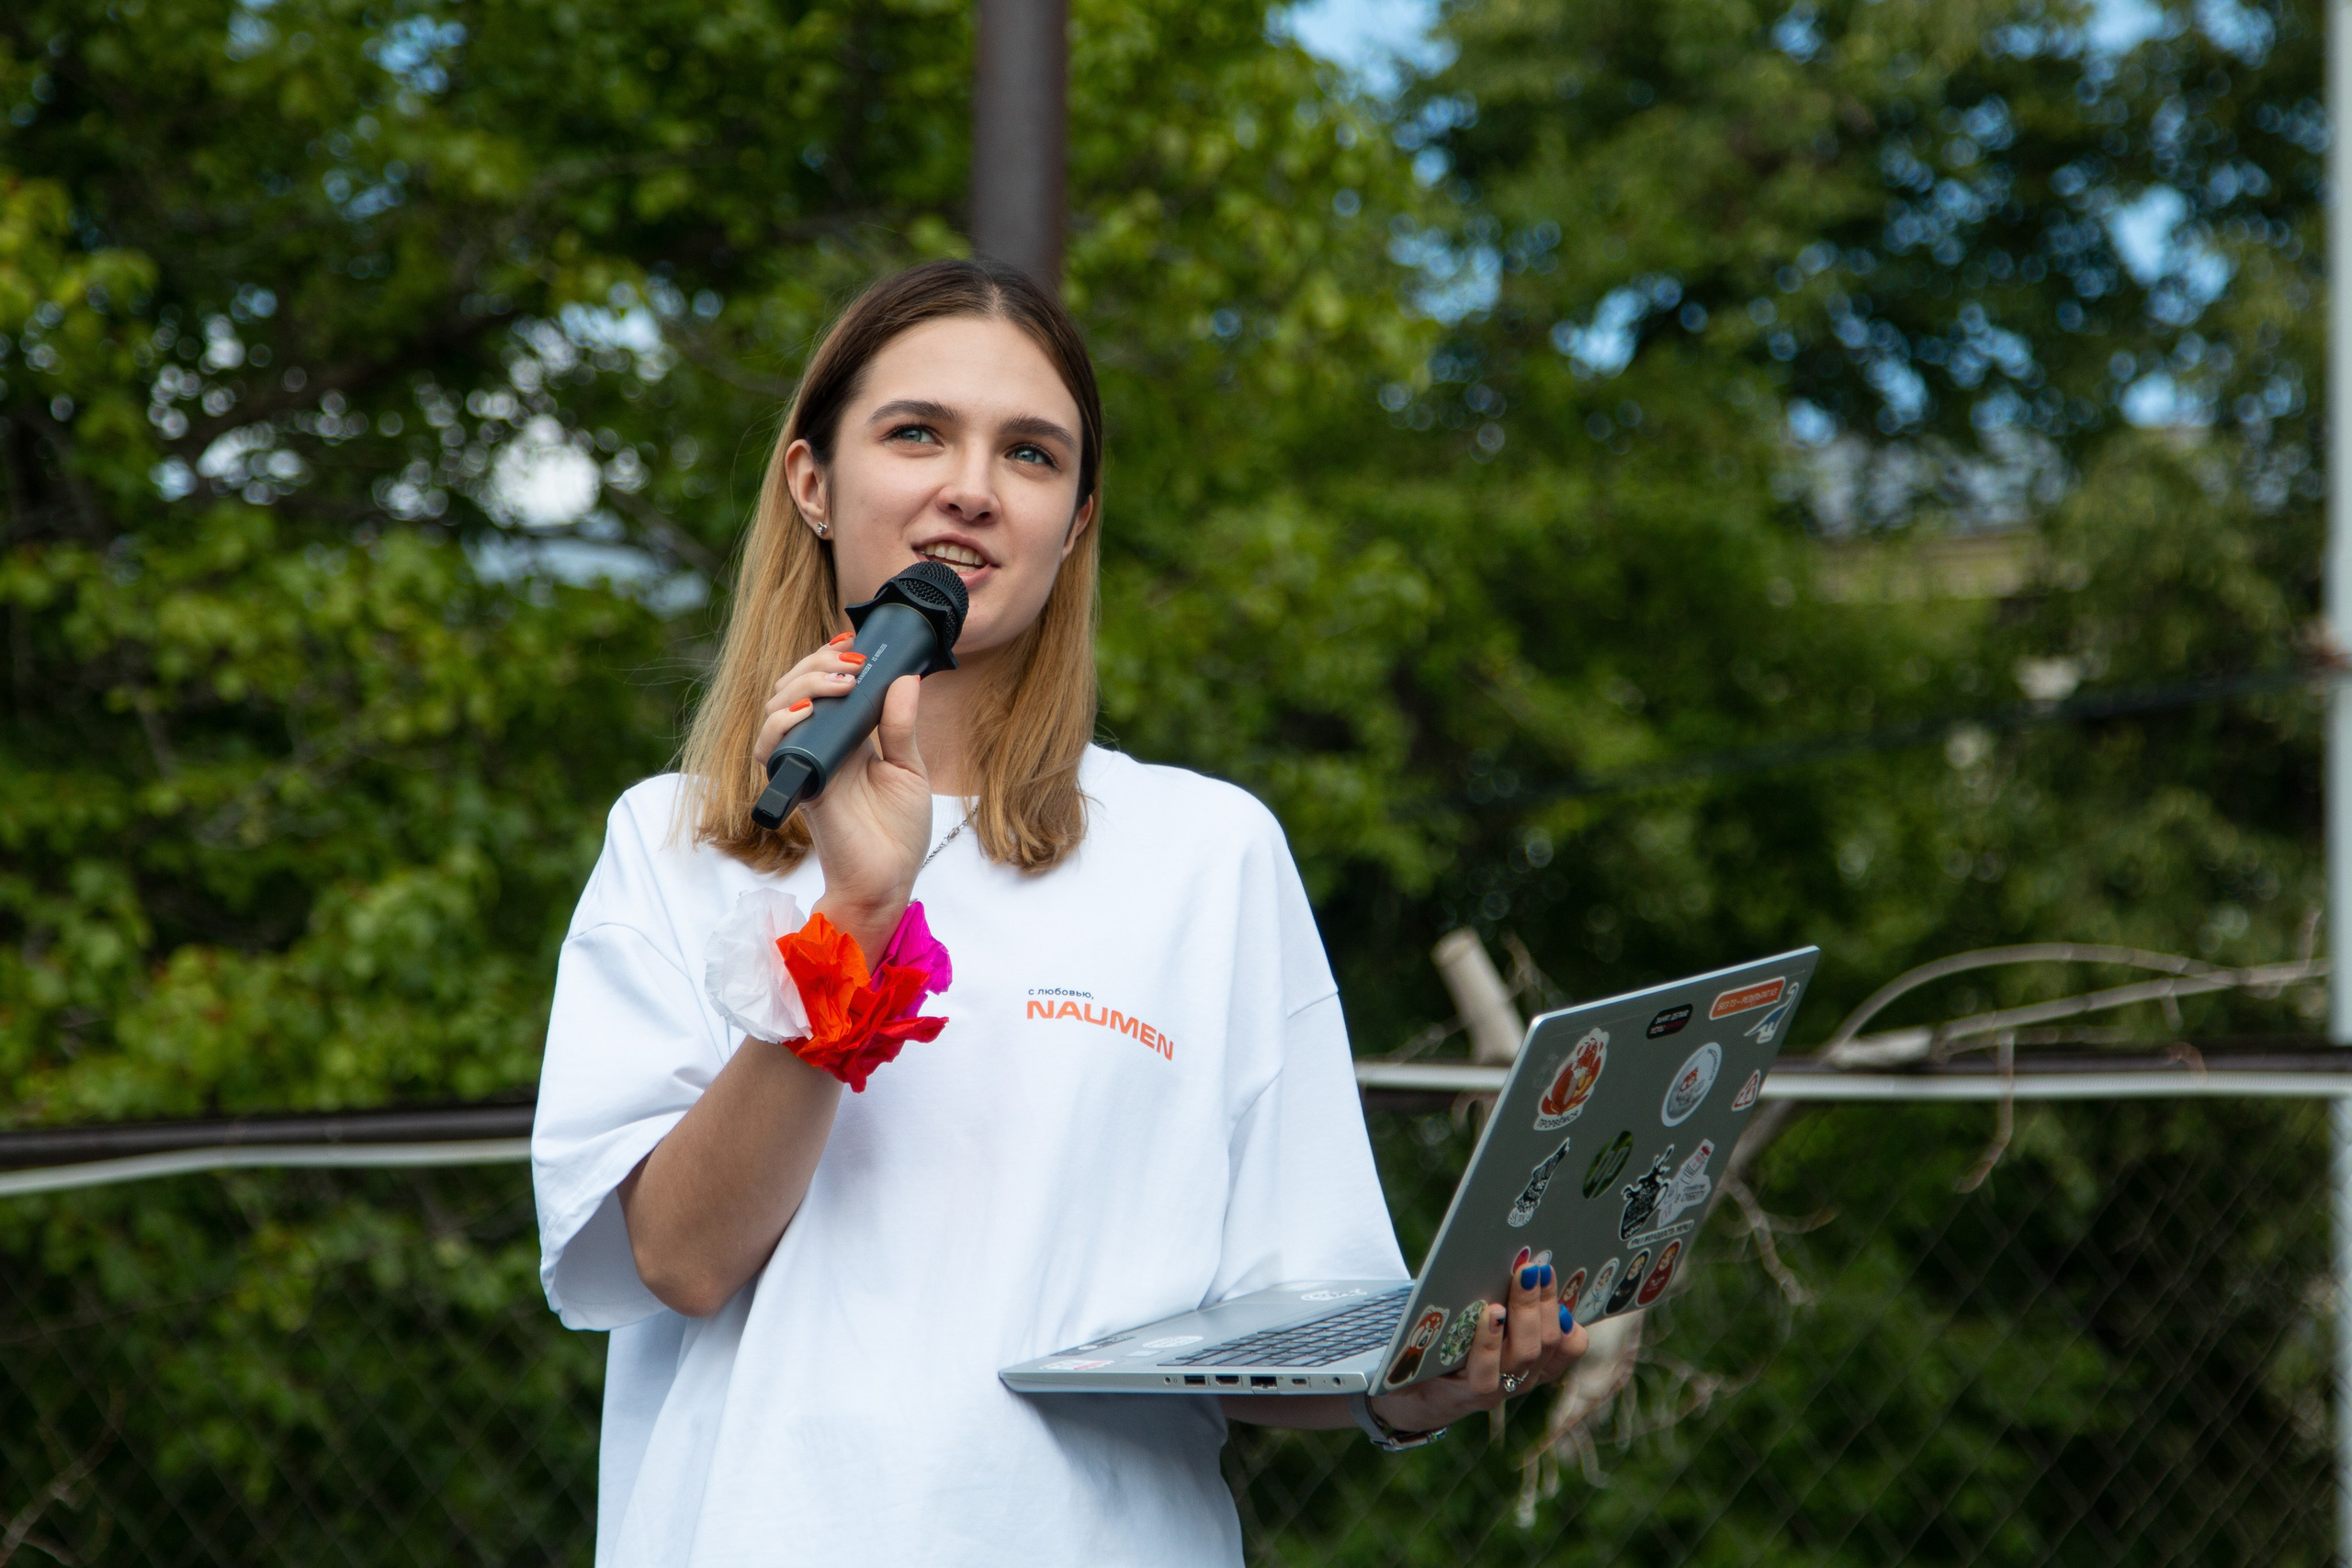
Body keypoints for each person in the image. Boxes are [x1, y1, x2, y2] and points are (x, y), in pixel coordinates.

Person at [530, 257, 1588, 1566]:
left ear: (1075, 523)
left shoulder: (1208, 855)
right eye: (917, 432)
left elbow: (1300, 1316)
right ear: (812, 480)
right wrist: (858, 911)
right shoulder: (672, 841)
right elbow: (679, 1260)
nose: (970, 485)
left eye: (1030, 454)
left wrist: (1431, 1376)